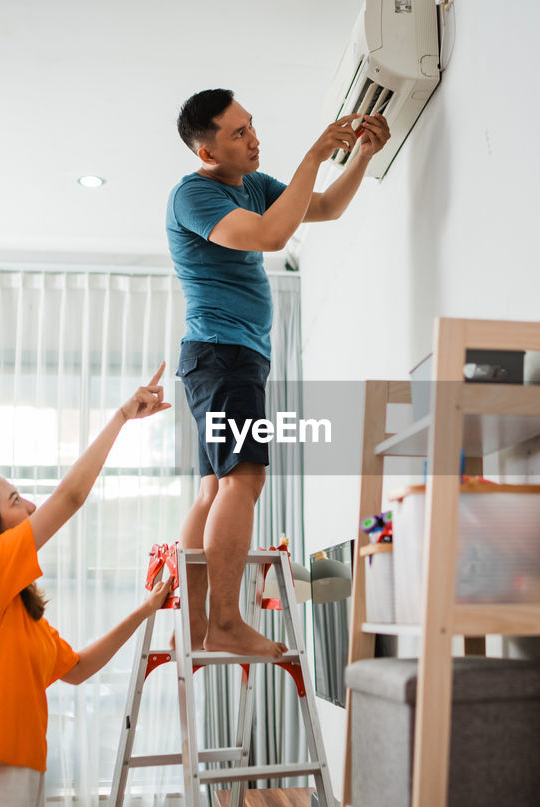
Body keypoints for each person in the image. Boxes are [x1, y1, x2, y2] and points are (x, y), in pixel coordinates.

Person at [166, 88, 390, 659]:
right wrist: (314, 154)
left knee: (215, 488)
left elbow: (327, 208)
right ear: (205, 149)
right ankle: (221, 621)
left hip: (226, 360)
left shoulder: (253, 187)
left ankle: (196, 625)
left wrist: (360, 156)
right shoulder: (194, 195)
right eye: (237, 134)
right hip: (224, 357)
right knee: (245, 478)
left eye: (251, 126)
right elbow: (271, 237)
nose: (253, 139)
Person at [0, 367, 173, 807]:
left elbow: (78, 668)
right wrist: (122, 416)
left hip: (18, 774)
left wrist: (147, 609)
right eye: (15, 500)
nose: (30, 507)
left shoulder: (14, 609)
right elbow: (71, 497)